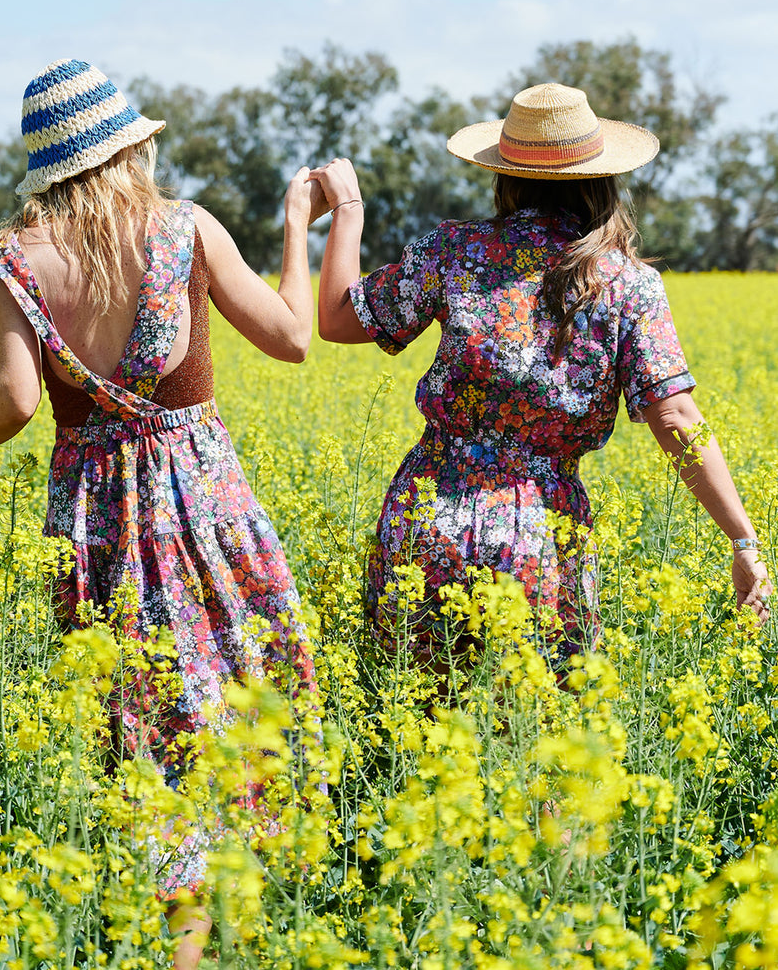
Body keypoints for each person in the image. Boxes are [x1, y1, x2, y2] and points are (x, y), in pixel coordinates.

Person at [0, 59, 323, 969]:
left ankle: (172, 932)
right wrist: (300, 228)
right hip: (200, 495)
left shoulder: (14, 260)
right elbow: (290, 337)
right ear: (130, 149)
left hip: (92, 512)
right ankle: (218, 926)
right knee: (239, 692)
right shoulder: (185, 227)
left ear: (48, 167)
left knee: (137, 718)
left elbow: (12, 399)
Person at [309, 82, 770, 677]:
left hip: (427, 516)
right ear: (604, 179)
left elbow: (340, 320)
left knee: (417, 727)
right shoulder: (628, 283)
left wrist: (348, 212)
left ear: (505, 176)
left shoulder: (456, 250)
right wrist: (742, 541)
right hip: (542, 536)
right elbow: (676, 416)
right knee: (535, 736)